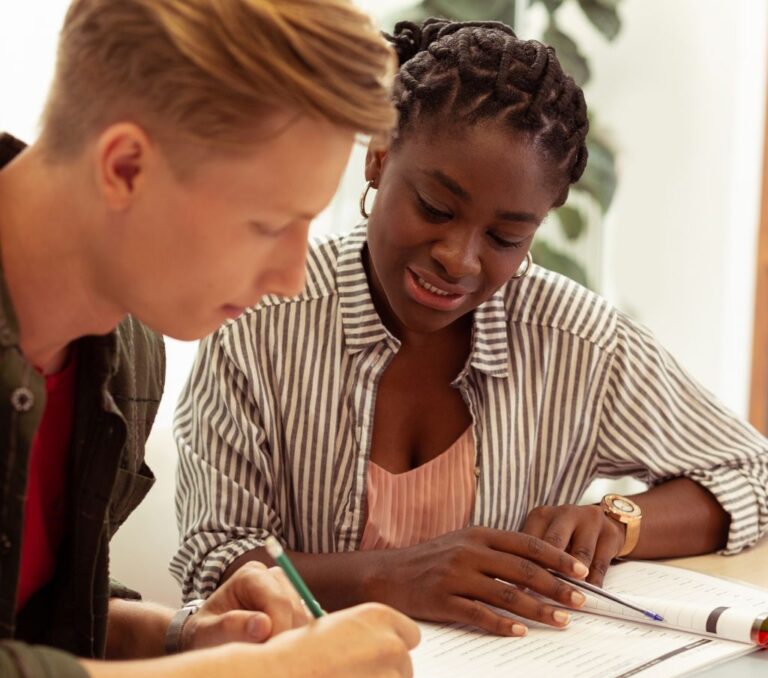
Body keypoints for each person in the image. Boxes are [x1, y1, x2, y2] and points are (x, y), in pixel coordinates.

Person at [174, 18, 768, 640]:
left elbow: (751, 475)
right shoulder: (258, 323)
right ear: (379, 157)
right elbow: (214, 568)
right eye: (434, 208)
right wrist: (388, 577)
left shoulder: (577, 340)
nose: (459, 259)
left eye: (506, 237)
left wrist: (618, 521)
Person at [0, 1, 425, 678]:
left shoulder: (122, 348)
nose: (294, 276)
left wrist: (182, 638)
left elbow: (33, 622)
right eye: (269, 223)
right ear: (125, 166)